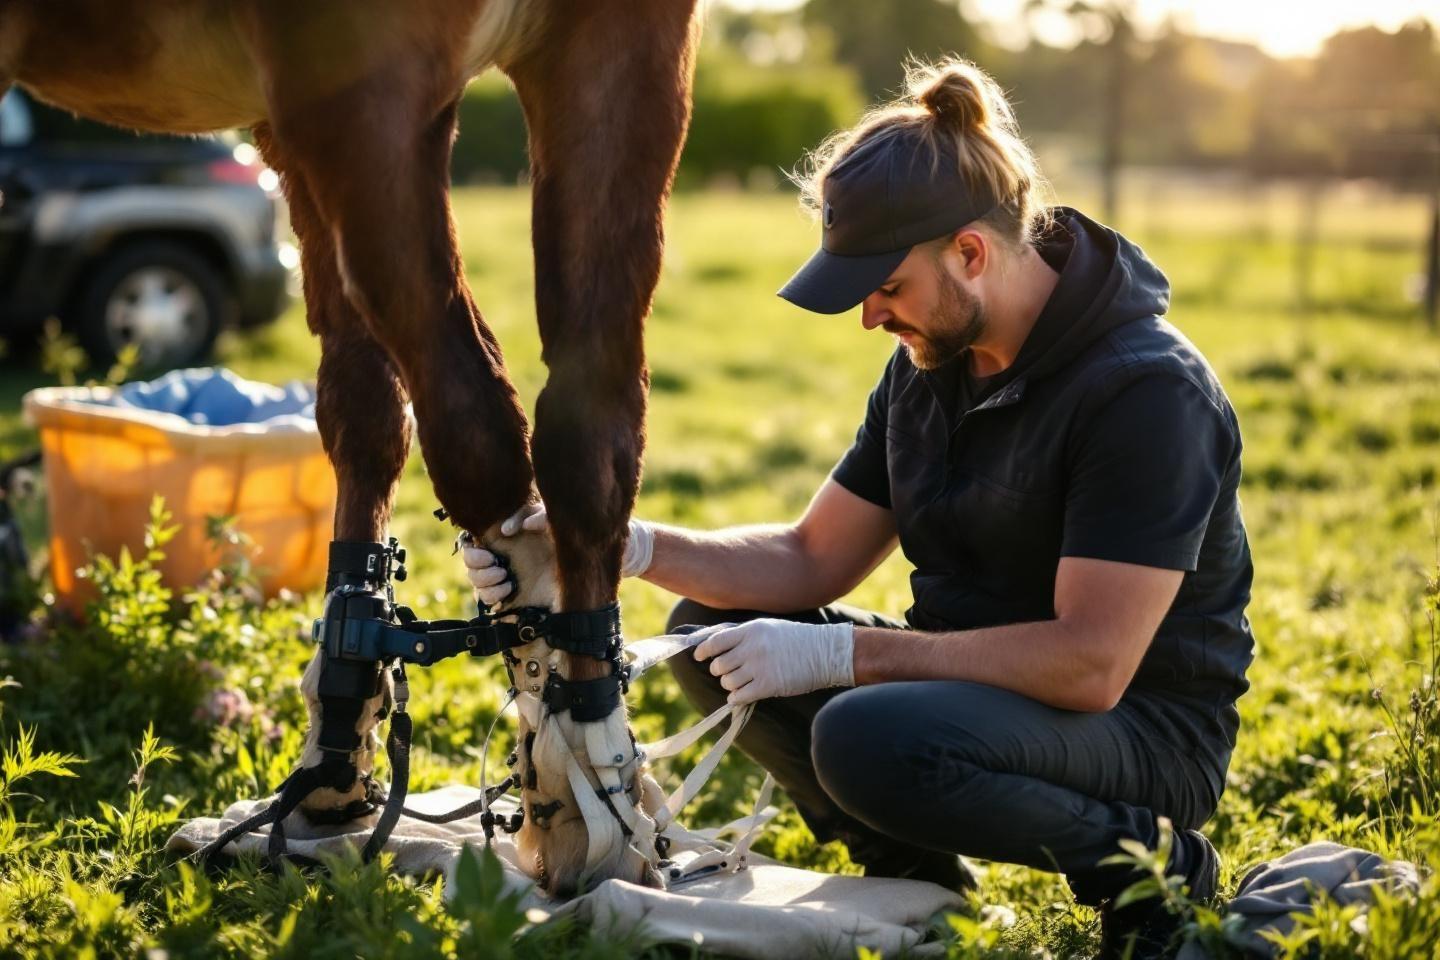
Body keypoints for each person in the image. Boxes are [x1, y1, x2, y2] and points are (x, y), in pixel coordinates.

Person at [463, 58, 1253, 959]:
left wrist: (839, 653)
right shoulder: (928, 369)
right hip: (974, 693)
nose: (871, 317)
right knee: (710, 630)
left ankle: (1150, 872)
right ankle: (915, 872)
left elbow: (1092, 665)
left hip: (1143, 732)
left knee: (862, 735)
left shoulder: (1146, 392)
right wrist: (615, 548)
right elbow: (809, 559)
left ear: (970, 251)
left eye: (886, 287)